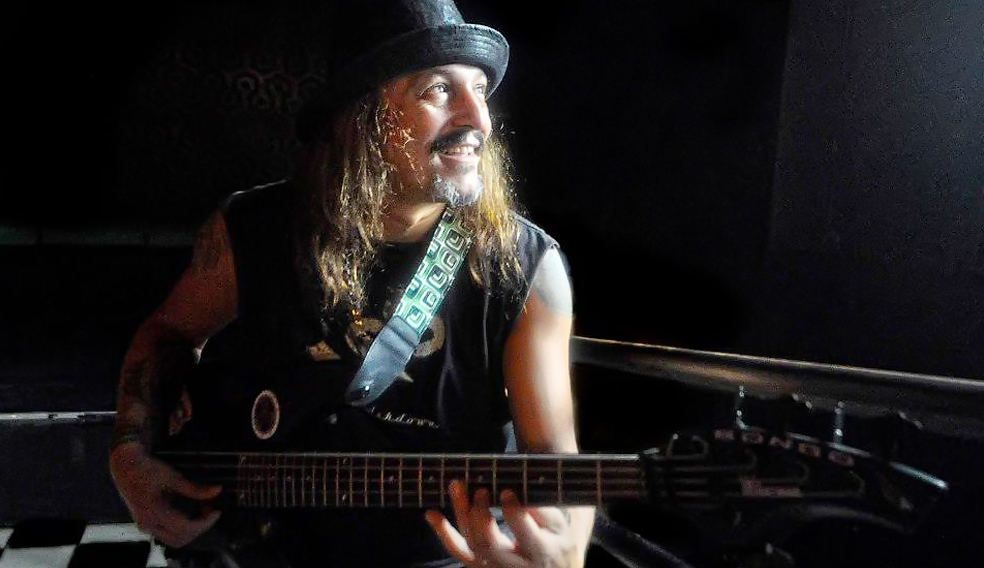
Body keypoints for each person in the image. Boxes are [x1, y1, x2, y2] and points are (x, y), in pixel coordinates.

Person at [109, 1, 594, 567]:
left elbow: (553, 454)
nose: (478, 121)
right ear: (361, 117)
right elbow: (167, 335)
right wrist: (129, 452)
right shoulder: (255, 230)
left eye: (480, 90)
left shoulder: (525, 265)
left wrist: (564, 550)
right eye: (440, 90)